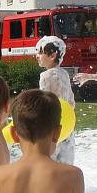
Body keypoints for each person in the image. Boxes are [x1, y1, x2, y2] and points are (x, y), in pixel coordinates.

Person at [35, 35, 76, 165]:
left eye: (40, 52)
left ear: (53, 55)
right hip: (67, 122)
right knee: (66, 159)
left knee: (50, 160)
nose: (36, 55)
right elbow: (71, 100)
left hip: (52, 122)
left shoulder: (45, 76)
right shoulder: (64, 73)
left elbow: (44, 101)